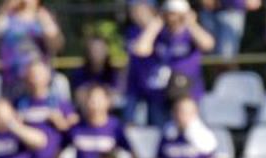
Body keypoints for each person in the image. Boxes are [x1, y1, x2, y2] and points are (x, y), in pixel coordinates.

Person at [131, 0, 214, 128]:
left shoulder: (191, 34)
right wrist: (155, 24)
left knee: (190, 132)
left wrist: (191, 24)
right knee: (161, 134)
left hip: (188, 94)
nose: (173, 18)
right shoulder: (159, 35)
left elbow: (208, 44)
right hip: (161, 95)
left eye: (177, 14)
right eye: (170, 14)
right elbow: (140, 49)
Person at [0, 0, 63, 98]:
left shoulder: (44, 17)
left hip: (42, 82)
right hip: (12, 80)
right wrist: (5, 8)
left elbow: (57, 45)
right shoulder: (6, 18)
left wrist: (47, 24)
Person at [123, 0, 159, 124]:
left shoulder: (162, 31)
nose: (134, 13)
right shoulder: (132, 31)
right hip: (134, 85)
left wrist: (154, 25)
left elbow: (143, 50)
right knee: (129, 124)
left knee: (156, 125)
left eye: (139, 8)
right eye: (133, 9)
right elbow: (137, 51)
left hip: (155, 88)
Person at [70, 32, 121, 108]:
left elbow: (116, 97)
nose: (97, 52)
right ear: (88, 51)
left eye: (100, 48)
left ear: (106, 50)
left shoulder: (113, 73)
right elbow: (79, 98)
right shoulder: (79, 73)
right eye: (94, 49)